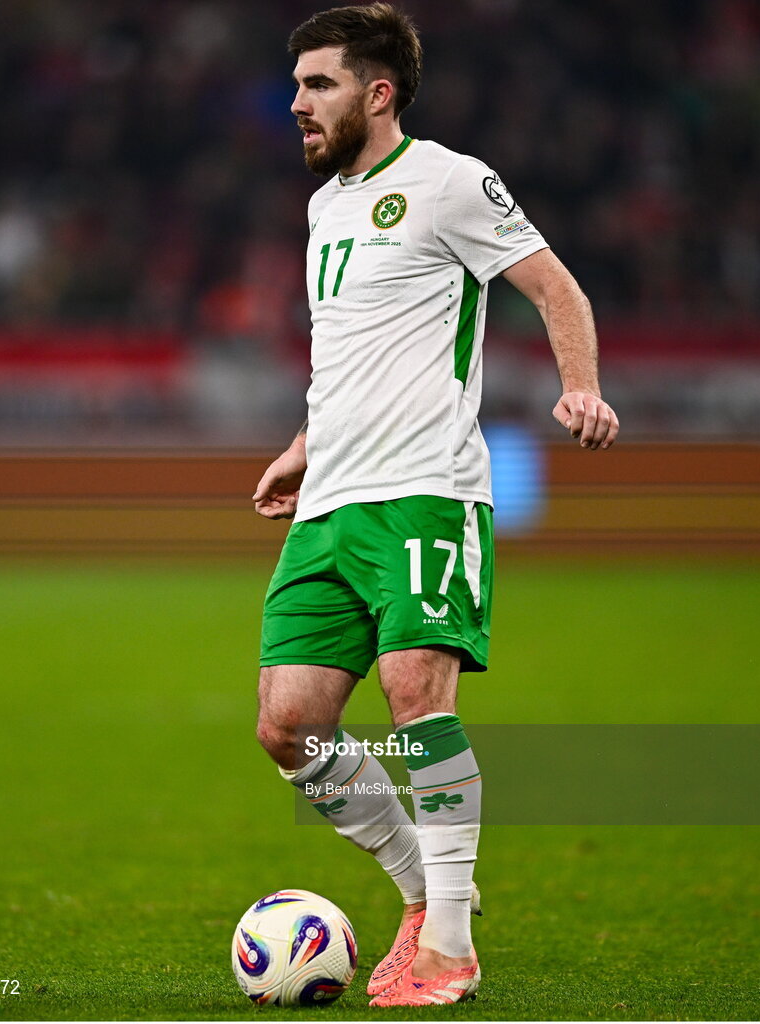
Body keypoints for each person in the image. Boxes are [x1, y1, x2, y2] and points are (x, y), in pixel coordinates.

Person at [252, 2, 618, 1008]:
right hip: (331, 500)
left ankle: (449, 947)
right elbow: (346, 358)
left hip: (423, 491)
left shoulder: (453, 182)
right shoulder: (327, 204)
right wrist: (301, 445)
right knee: (288, 726)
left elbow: (555, 290)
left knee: (416, 704)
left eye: (316, 84)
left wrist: (578, 385)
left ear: (377, 92)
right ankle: (424, 894)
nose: (296, 103)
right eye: (295, 85)